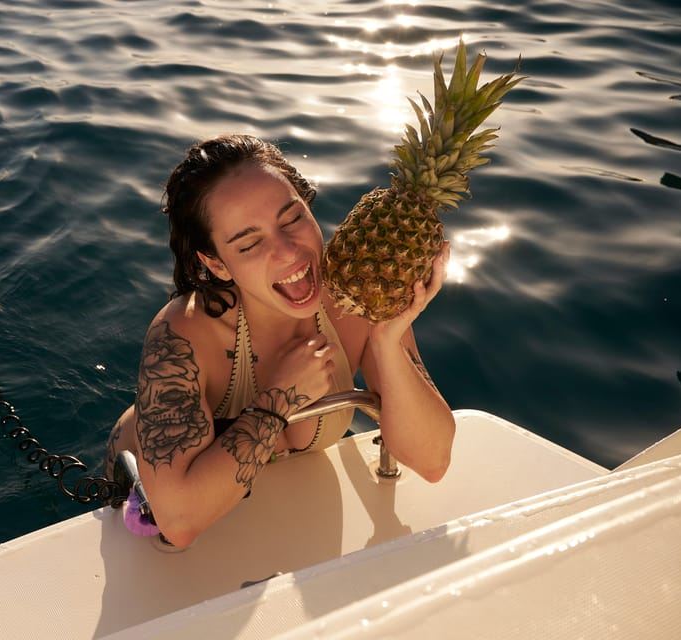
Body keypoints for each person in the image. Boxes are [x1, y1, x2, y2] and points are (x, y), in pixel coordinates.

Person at [106, 134, 455, 549]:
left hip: (279, 512)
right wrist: (279, 399)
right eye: (250, 243)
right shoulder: (184, 333)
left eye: (292, 219)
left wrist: (386, 339)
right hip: (139, 495)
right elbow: (178, 521)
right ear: (216, 263)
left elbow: (432, 461)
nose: (289, 252)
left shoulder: (355, 297)